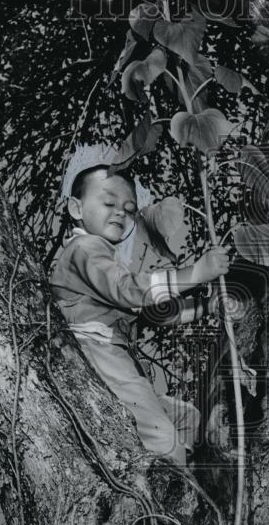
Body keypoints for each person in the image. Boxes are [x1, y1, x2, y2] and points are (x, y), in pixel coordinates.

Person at [49, 164, 229, 465]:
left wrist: (206, 307)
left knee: (187, 418)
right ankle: (174, 484)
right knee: (166, 444)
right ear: (76, 208)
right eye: (109, 203)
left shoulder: (104, 262)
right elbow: (130, 291)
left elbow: (150, 314)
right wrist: (196, 273)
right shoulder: (85, 248)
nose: (120, 212)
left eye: (129, 209)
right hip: (99, 355)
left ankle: (180, 481)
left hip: (118, 363)